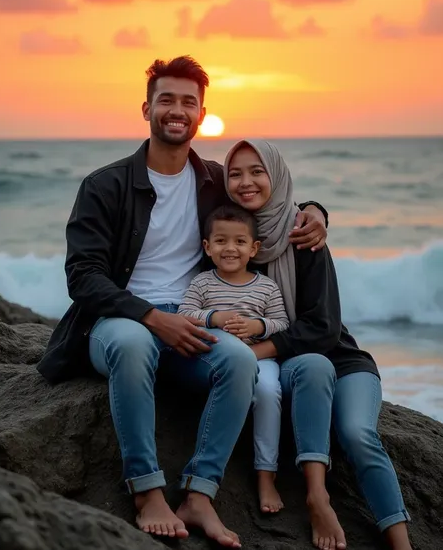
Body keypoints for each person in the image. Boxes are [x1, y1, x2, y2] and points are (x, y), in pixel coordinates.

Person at [36, 56, 329, 547]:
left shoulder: (213, 181)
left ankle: (199, 493)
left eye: (188, 102)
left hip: (191, 319)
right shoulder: (105, 185)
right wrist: (152, 318)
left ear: (201, 112)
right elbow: (82, 277)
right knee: (133, 345)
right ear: (146, 108)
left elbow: (266, 199)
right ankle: (147, 490)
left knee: (238, 360)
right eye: (166, 99)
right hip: (120, 318)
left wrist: (317, 212)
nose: (177, 110)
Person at [224, 139, 413, 550]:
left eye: (258, 171)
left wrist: (254, 352)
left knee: (358, 433)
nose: (246, 182)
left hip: (343, 361)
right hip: (295, 368)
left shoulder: (304, 233)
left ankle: (402, 543)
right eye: (235, 173)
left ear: (277, 175)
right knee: (311, 365)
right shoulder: (229, 239)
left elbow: (325, 327)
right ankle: (316, 495)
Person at [179, 203, 289, 514]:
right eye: (221, 241)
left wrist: (259, 325)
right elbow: (184, 313)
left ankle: (266, 475)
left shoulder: (266, 287)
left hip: (260, 357)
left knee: (268, 391)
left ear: (254, 248)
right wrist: (213, 317)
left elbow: (282, 322)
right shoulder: (202, 282)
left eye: (240, 242)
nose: (230, 248)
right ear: (207, 247)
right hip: (219, 358)